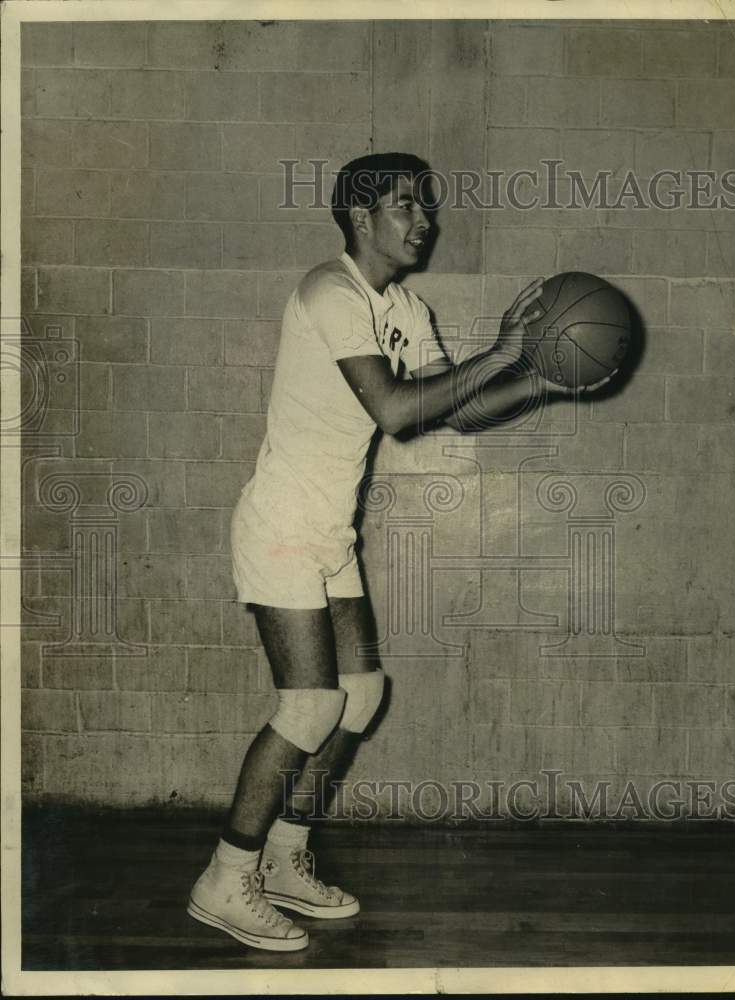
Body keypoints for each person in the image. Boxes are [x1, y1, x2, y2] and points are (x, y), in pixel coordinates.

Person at [186, 152, 580, 951]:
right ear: (359, 217)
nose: (422, 221)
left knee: (359, 695)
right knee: (309, 704)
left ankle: (287, 859)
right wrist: (505, 350)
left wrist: (544, 381)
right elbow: (398, 409)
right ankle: (225, 878)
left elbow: (453, 412)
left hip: (328, 531)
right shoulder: (329, 292)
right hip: (280, 524)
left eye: (425, 207)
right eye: (406, 206)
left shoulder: (404, 305)